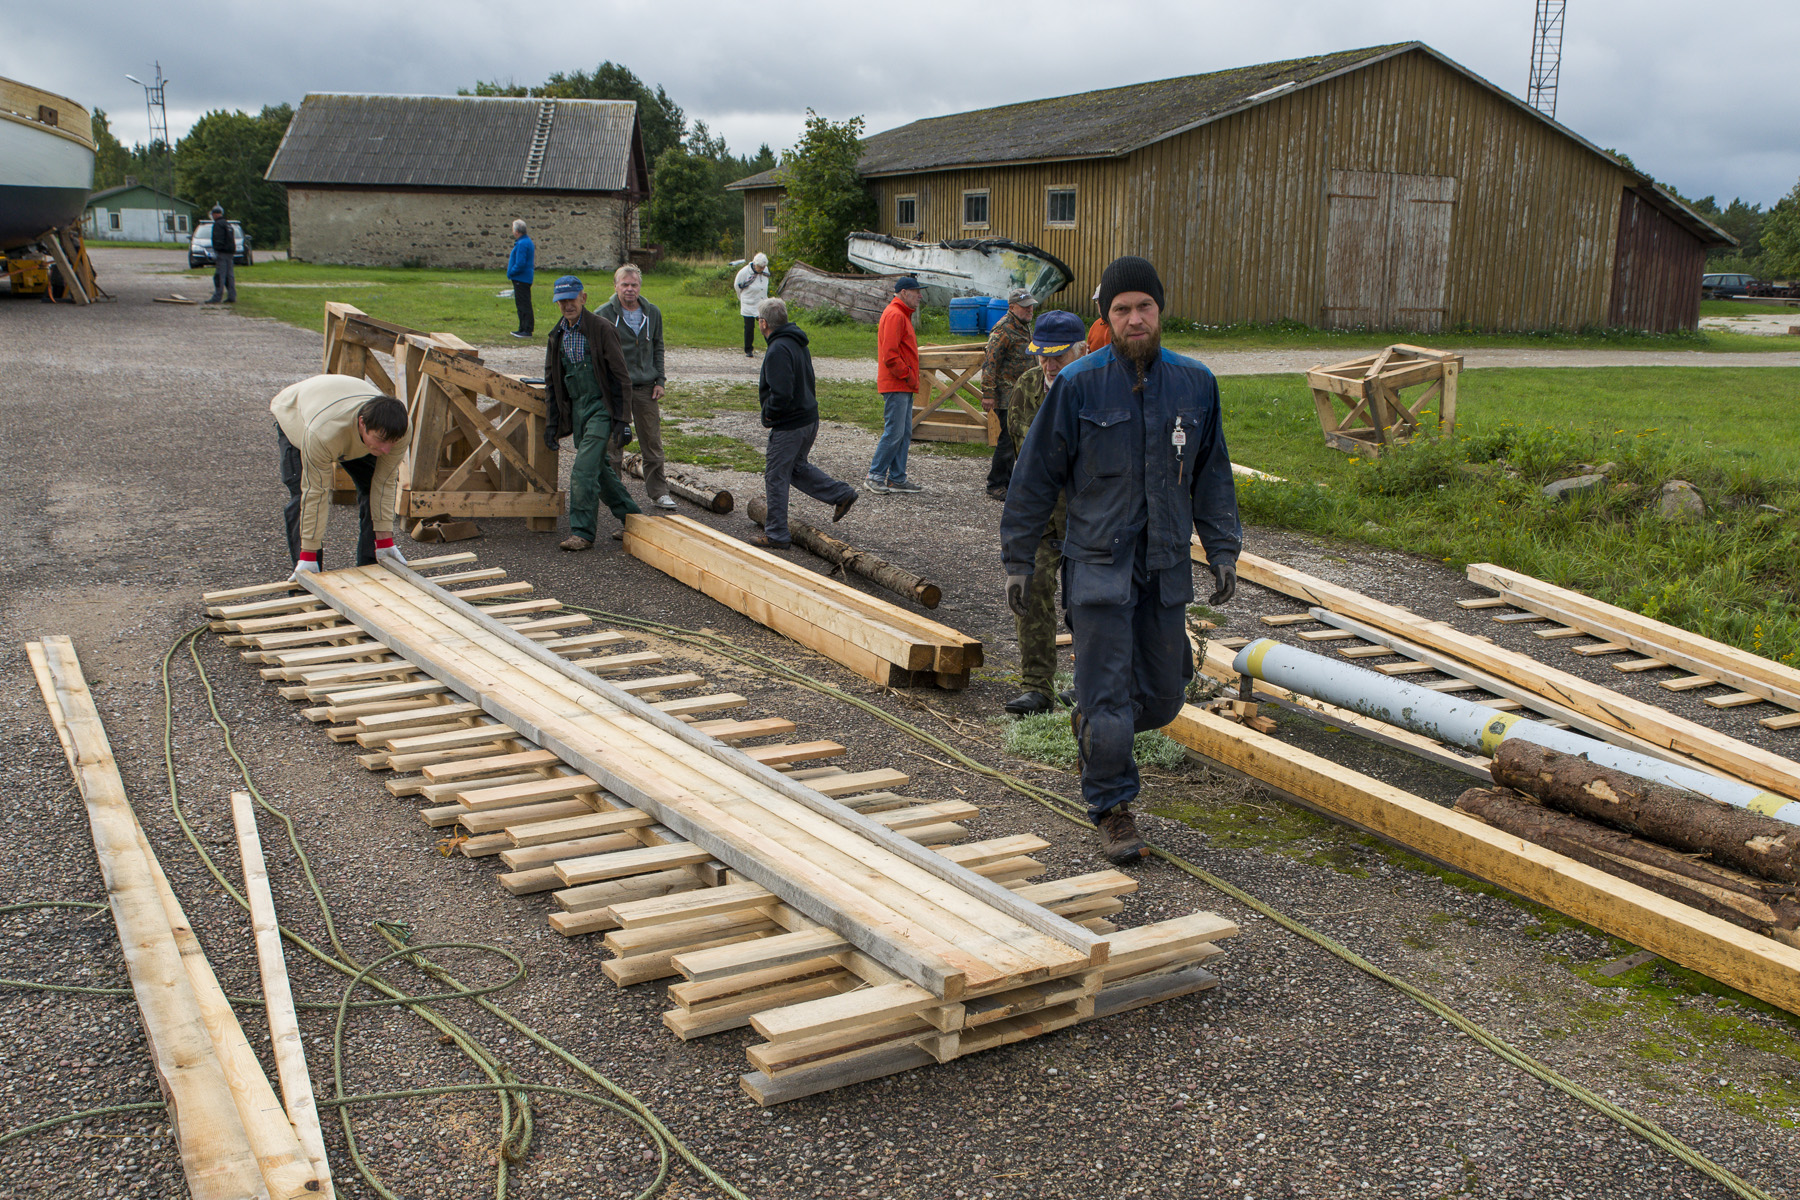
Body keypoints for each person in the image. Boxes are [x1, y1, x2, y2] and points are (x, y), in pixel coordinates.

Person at [1001, 256, 1241, 865]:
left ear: (1160, 311)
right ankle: (1112, 806)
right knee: (1107, 700)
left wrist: (1222, 548)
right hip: (1098, 568)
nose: (1135, 319)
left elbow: (1212, 474)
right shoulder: (1080, 384)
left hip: (1163, 566)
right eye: (1122, 309)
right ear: (1107, 319)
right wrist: (1018, 559)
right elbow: (1033, 477)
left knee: (1164, 697)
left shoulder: (1196, 384)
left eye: (1145, 307)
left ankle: (1097, 731)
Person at [1002, 310, 1088, 716]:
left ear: (1081, 351)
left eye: (1058, 356)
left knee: (1089, 602)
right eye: (1042, 356)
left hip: (1088, 520)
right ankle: (1037, 686)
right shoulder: (1027, 387)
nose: (1049, 365)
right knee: (1032, 592)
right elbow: (1023, 465)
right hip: (1041, 520)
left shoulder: (1098, 387)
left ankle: (1091, 683)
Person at [270, 374, 411, 578]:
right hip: (298, 414)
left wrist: (384, 542)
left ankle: (372, 569)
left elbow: (385, 482)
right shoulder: (323, 432)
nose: (387, 450)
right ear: (362, 423)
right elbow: (315, 492)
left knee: (372, 486)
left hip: (345, 414)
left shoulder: (399, 430)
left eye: (392, 442)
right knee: (302, 499)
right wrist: (308, 553)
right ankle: (307, 575)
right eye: (381, 440)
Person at [542, 275, 640, 550]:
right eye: (561, 301)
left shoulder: (601, 329)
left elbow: (622, 377)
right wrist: (552, 424)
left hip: (600, 408)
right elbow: (552, 382)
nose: (567, 305)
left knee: (583, 470)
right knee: (600, 472)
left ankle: (582, 532)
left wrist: (622, 420)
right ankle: (634, 520)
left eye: (571, 299)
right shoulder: (557, 335)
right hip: (578, 411)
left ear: (583, 298)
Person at [751, 297, 857, 549]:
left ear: (764, 323)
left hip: (791, 423)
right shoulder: (797, 343)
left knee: (776, 476)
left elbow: (782, 392)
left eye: (758, 320)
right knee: (795, 468)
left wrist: (769, 414)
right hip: (808, 418)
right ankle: (841, 494)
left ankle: (776, 534)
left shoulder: (778, 349)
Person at [596, 264, 676, 510]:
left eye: (634, 285)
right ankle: (613, 493)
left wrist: (660, 380)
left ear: (640, 287)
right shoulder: (603, 314)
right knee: (613, 444)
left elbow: (658, 347)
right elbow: (596, 355)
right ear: (615, 285)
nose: (630, 290)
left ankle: (659, 492)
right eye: (625, 285)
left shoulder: (652, 312)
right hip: (616, 390)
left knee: (652, 441)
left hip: (645, 387)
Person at [866, 275, 926, 495]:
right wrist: (909, 375)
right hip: (897, 383)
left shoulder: (901, 314)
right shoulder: (895, 314)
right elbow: (890, 356)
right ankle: (875, 476)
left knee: (903, 433)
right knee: (894, 432)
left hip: (902, 384)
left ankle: (897, 478)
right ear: (904, 293)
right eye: (916, 291)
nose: (920, 295)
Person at [980, 287, 1038, 499]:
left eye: (1031, 305)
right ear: (1012, 308)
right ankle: (996, 484)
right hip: (1006, 394)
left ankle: (1012, 482)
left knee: (1018, 439)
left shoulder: (1024, 326)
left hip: (1022, 393)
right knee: (1007, 441)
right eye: (1025, 307)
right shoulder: (1003, 329)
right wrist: (988, 393)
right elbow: (990, 364)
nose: (1030, 309)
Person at [734, 252, 771, 357]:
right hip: (748, 303)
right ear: (755, 264)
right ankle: (748, 350)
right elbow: (737, 286)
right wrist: (741, 298)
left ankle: (772, 346)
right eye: (760, 267)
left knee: (766, 325)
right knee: (749, 327)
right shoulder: (744, 272)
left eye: (763, 267)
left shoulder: (765, 270)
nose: (762, 269)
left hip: (761, 302)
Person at [507, 219, 536, 338]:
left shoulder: (523, 243)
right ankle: (522, 328)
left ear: (517, 231)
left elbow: (520, 262)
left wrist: (512, 273)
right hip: (522, 278)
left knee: (523, 304)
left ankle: (527, 329)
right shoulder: (524, 242)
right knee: (521, 304)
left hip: (521, 278)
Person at [204, 204, 236, 304]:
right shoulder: (227, 224)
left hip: (222, 253)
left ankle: (217, 297)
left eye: (213, 214)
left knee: (219, 276)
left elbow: (218, 239)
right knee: (229, 276)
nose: (212, 216)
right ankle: (232, 296)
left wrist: (216, 250)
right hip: (230, 253)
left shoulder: (218, 224)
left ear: (215, 214)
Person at [1085, 286, 1111, 352]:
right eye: (1098, 301)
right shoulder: (1096, 325)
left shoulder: (1125, 326)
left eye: (1105, 301)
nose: (1101, 305)